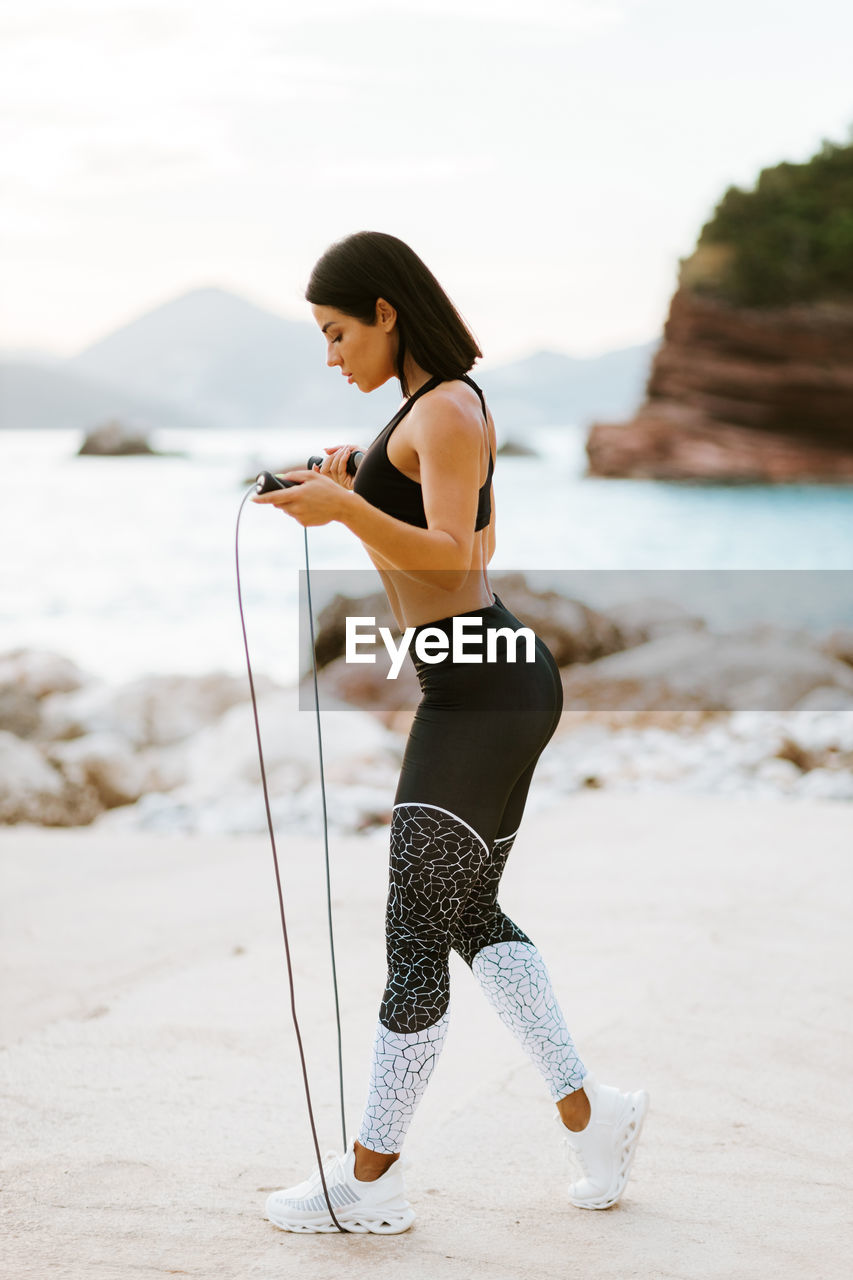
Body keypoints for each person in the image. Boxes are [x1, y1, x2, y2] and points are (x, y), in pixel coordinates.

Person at [252, 231, 648, 1234]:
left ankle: (371, 1181)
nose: (332, 355)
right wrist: (355, 480)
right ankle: (594, 1115)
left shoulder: (450, 408)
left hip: (482, 690)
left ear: (386, 310)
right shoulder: (429, 412)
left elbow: (458, 569)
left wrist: (345, 505)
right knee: (466, 915)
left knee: (413, 931)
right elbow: (469, 537)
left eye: (338, 331)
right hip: (478, 686)